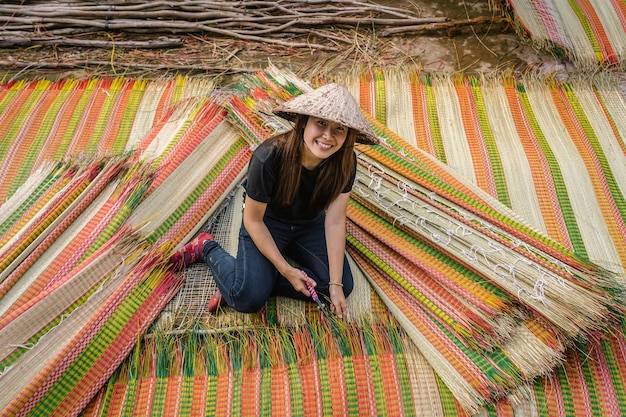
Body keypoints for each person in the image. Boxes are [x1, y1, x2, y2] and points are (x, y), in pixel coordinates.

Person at [170, 83, 379, 319]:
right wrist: (285, 269)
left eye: (339, 128)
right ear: (304, 122)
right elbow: (253, 220)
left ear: (348, 135)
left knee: (340, 286)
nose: (327, 136)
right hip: (267, 224)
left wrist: (335, 286)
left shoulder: (345, 161)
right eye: (320, 123)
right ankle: (207, 247)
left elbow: (335, 222)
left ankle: (248, 279)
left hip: (309, 226)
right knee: (246, 298)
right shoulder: (268, 156)